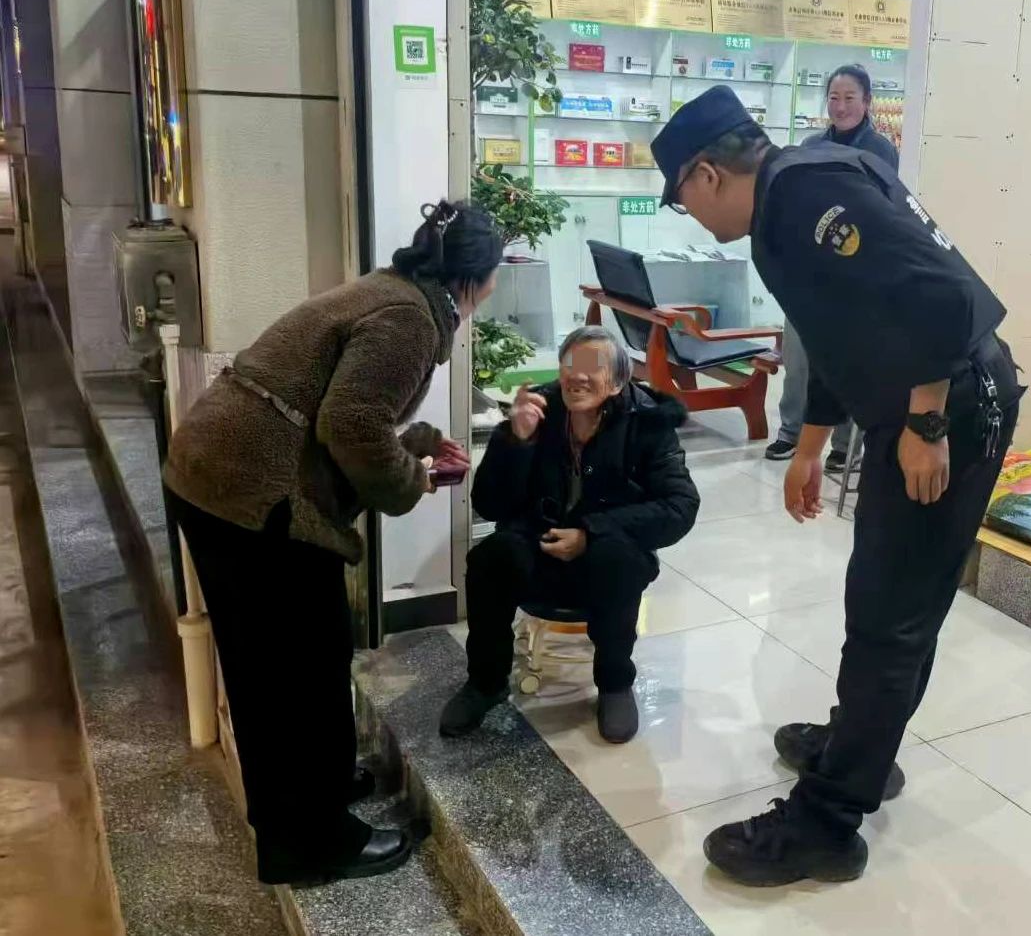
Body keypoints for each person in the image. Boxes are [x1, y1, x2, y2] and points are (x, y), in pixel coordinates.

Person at [650, 86, 1022, 887]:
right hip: (916, 404)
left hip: (950, 406)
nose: (689, 216)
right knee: (884, 603)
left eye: (681, 199)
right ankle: (859, 745)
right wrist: (810, 446)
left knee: (891, 615)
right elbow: (832, 332)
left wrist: (926, 424)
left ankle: (826, 821)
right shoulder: (790, 196)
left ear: (706, 173)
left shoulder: (808, 196)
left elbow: (941, 295)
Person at [162, 201, 502, 885]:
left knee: (286, 660)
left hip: (219, 475)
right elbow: (349, 424)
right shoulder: (411, 318)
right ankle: (310, 842)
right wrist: (412, 480)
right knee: (296, 668)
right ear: (479, 277)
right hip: (253, 496)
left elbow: (336, 411)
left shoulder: (390, 290)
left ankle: (312, 791)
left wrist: (415, 447)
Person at [440, 325, 699, 744]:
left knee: (614, 559)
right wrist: (515, 442)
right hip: (537, 547)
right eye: (570, 364)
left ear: (617, 381)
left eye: (592, 366)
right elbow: (489, 504)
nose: (578, 376)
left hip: (608, 555)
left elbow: (680, 506)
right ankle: (485, 682)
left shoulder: (648, 422)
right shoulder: (539, 412)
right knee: (490, 557)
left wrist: (590, 532)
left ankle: (614, 684)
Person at [769, 64, 900, 473]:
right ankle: (791, 431)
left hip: (855, 269)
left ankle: (845, 445)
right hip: (809, 269)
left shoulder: (880, 150)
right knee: (797, 357)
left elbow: (881, 209)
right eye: (834, 98)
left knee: (846, 362)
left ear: (867, 102)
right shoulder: (811, 145)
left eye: (849, 98)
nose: (840, 106)